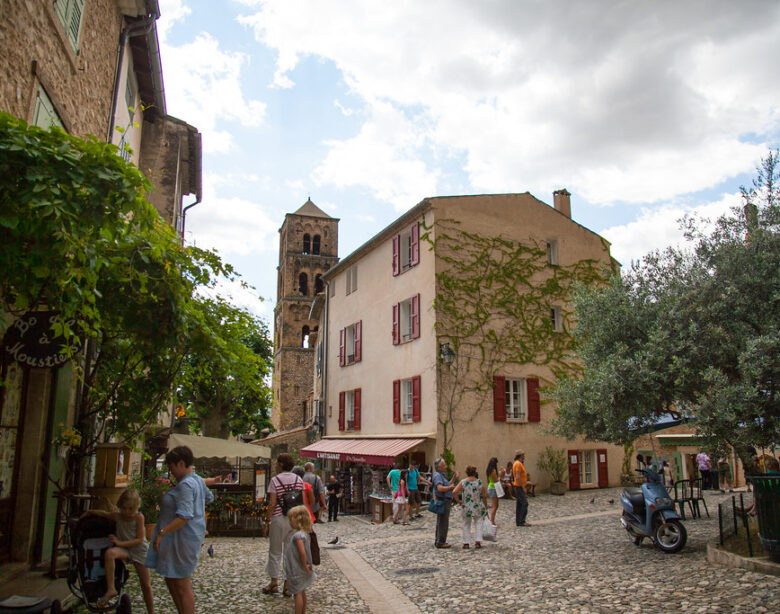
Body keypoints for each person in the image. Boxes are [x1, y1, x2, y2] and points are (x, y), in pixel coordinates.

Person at [145, 446, 213, 614]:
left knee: (182, 585)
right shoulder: (196, 479)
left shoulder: (187, 485)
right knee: (172, 579)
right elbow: (208, 498)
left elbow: (184, 516)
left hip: (181, 540)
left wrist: (162, 533)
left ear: (181, 463)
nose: (171, 471)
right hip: (182, 538)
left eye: (172, 467)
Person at [82, 489, 154, 612]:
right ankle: (111, 589)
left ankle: (151, 611)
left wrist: (119, 542)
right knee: (110, 553)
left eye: (130, 509)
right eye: (124, 508)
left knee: (146, 585)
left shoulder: (138, 517)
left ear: (136, 507)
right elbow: (104, 514)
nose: (127, 512)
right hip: (124, 549)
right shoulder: (118, 516)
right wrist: (89, 512)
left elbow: (140, 539)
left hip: (139, 550)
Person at [263, 453, 304, 597]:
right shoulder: (298, 480)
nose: (275, 466)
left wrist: (267, 521)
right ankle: (287, 585)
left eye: (276, 463)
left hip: (278, 518)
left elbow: (272, 503)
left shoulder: (275, 480)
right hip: (293, 519)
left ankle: (274, 582)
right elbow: (301, 501)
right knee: (289, 552)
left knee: (275, 551)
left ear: (280, 465)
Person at [284, 506, 316, 614]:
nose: (289, 522)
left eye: (291, 519)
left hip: (298, 569)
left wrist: (304, 564)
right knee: (302, 592)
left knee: (297, 594)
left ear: (298, 519)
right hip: (301, 568)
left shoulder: (298, 536)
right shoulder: (304, 534)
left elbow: (302, 552)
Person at [453, 465, 488, 549]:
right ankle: (478, 541)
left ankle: (466, 542)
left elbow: (454, 491)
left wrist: (459, 501)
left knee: (466, 523)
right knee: (479, 522)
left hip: (467, 505)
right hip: (477, 505)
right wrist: (485, 506)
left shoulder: (463, 482)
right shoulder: (479, 482)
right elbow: (484, 495)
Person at [431, 458, 459, 549]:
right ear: (439, 467)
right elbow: (440, 488)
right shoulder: (438, 476)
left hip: (445, 500)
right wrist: (450, 488)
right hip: (443, 500)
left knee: (441, 521)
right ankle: (441, 541)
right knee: (443, 522)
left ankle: (439, 540)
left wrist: (454, 478)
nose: (446, 467)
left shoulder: (441, 475)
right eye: (444, 465)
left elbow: (447, 484)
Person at [512, 450, 531, 527]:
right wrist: (523, 487)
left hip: (518, 485)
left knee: (519, 504)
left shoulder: (517, 463)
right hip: (519, 486)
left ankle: (518, 521)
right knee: (524, 503)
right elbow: (518, 476)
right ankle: (522, 520)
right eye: (523, 455)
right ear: (520, 456)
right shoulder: (518, 464)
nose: (524, 456)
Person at [485, 457, 499, 525]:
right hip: (494, 487)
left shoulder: (488, 470)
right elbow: (496, 480)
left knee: (495, 505)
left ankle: (492, 520)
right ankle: (492, 521)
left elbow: (488, 480)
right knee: (495, 506)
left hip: (490, 486)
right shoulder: (493, 470)